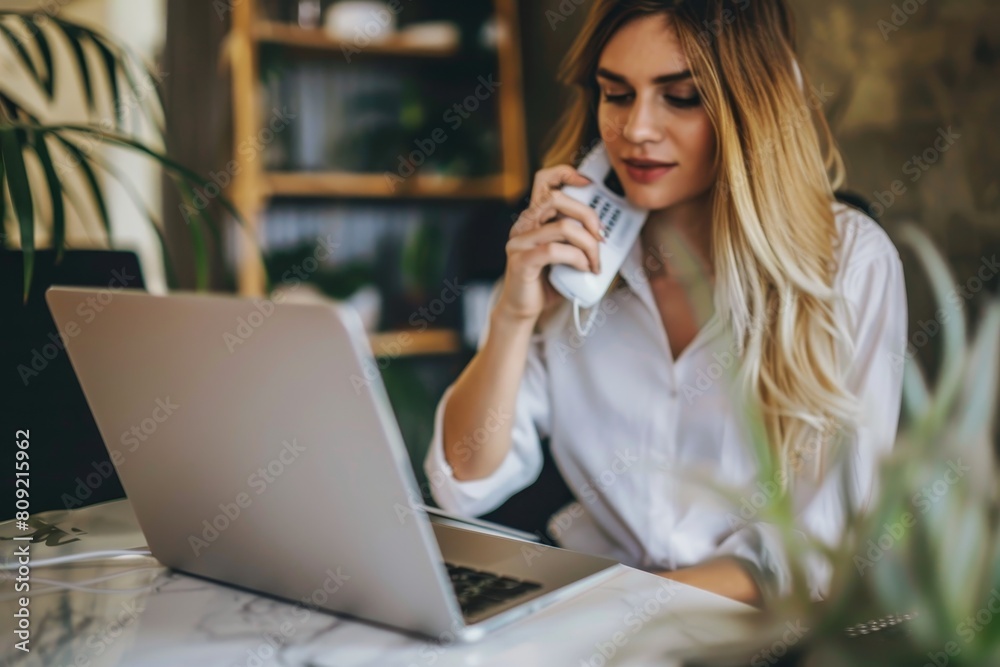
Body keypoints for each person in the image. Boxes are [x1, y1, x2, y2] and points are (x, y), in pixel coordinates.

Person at [424, 0, 908, 606]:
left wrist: (613, 610)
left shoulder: (849, 261)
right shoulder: (576, 257)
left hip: (747, 630)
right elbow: (466, 482)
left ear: (750, 108)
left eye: (680, 97)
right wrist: (514, 315)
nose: (636, 131)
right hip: (589, 610)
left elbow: (822, 550)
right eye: (616, 94)